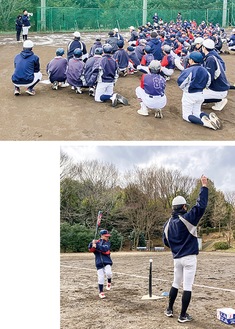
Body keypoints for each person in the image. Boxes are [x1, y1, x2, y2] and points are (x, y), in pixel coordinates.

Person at [163, 175, 209, 323]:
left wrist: (176, 247)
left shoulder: (167, 225)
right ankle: (182, 315)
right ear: (183, 207)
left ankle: (169, 309)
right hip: (189, 257)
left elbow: (166, 242)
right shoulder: (188, 218)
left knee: (175, 283)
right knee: (187, 286)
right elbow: (200, 206)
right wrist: (204, 186)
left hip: (176, 258)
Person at [177, 51, 221, 130]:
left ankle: (205, 123)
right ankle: (210, 117)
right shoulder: (205, 71)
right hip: (200, 94)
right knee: (197, 112)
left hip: (189, 94)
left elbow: (180, 83)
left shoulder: (188, 70)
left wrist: (186, 89)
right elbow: (208, 83)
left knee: (186, 115)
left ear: (191, 60)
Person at [202, 38, 230, 111]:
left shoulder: (210, 59)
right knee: (198, 93)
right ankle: (210, 98)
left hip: (219, 90)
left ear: (204, 48)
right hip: (220, 88)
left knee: (195, 96)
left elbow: (209, 78)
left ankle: (220, 100)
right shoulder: (212, 56)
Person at [88, 229, 113, 299]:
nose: (107, 237)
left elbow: (105, 249)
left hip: (107, 262)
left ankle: (109, 282)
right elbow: (90, 249)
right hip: (99, 263)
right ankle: (101, 292)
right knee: (101, 278)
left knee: (109, 273)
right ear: (102, 236)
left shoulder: (107, 243)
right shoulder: (97, 242)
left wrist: (97, 246)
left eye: (108, 236)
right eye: (106, 236)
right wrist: (92, 243)